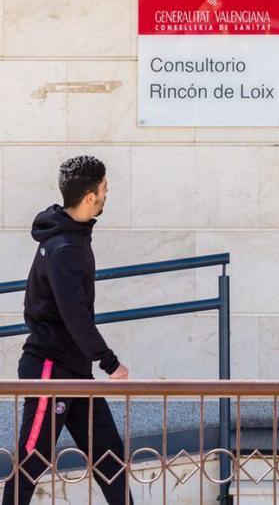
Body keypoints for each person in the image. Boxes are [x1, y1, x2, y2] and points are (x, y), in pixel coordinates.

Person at [4, 156, 133, 505]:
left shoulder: (72, 237)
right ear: (90, 197)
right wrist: (109, 362)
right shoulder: (63, 248)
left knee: (110, 458)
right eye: (105, 189)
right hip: (50, 370)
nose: (108, 194)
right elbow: (74, 314)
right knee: (32, 461)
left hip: (74, 373)